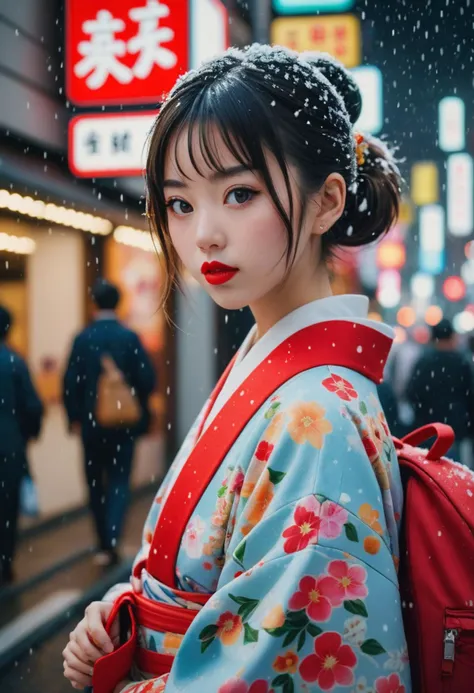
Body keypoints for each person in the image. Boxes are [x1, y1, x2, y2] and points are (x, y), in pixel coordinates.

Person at [63, 46, 410, 693]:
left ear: (328, 200)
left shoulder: (319, 415)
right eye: (181, 203)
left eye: (239, 192)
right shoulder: (278, 368)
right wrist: (122, 617)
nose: (205, 235)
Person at [63, 279, 156, 567]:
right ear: (118, 303)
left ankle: (102, 541)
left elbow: (70, 382)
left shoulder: (83, 338)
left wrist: (75, 417)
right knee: (119, 480)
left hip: (92, 425)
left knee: (95, 482)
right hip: (123, 425)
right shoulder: (129, 337)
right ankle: (113, 538)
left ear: (94, 302)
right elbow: (147, 379)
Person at [0, 305, 43, 585]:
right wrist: (27, 434)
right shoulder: (14, 362)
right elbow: (32, 406)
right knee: (6, 507)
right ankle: (4, 565)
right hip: (8, 446)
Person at [407, 318, 474, 463]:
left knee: (429, 469)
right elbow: (470, 396)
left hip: (428, 428)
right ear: (451, 337)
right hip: (454, 429)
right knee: (454, 471)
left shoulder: (424, 361)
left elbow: (412, 393)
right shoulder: (462, 362)